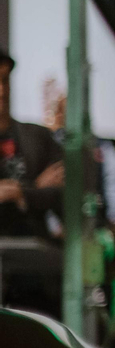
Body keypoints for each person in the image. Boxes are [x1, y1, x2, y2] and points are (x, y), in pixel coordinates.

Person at [0, 50, 65, 241]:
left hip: (36, 247)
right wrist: (35, 186)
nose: (1, 90)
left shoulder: (38, 136)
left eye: (5, 80)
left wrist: (19, 193)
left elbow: (61, 191)